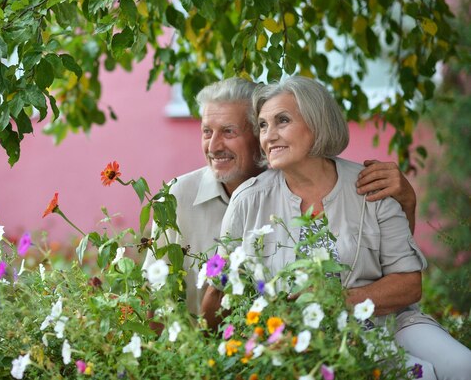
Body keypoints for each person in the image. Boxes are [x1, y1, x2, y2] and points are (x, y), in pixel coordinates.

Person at [202, 76, 471, 379]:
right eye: (263, 125)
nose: (269, 135)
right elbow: (220, 290)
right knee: (416, 374)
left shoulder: (372, 185)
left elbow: (409, 284)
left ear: (317, 124)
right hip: (300, 338)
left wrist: (335, 300)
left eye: (282, 121)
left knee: (463, 366)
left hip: (389, 323)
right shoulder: (248, 201)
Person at [143, 77, 418, 315]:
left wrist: (406, 201)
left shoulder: (342, 185)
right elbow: (153, 294)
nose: (214, 146)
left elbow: (396, 270)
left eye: (228, 131)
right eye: (206, 132)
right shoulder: (178, 197)